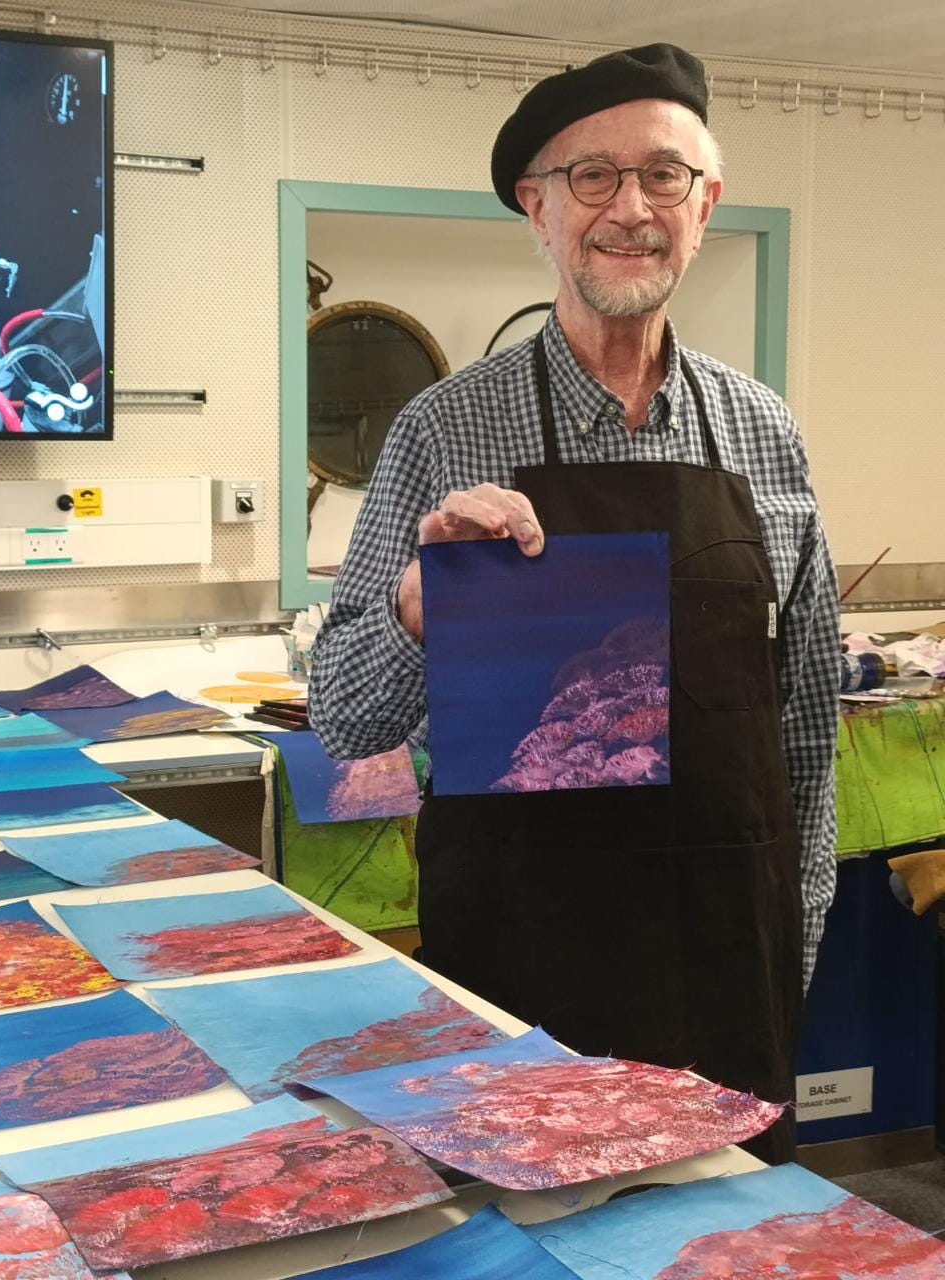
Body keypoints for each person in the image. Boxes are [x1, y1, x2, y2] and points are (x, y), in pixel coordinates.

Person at [308, 42, 840, 1164]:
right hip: (523, 971)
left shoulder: (763, 431)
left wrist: (793, 935)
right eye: (591, 177)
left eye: (664, 175)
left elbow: (802, 735)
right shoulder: (443, 429)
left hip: (725, 979)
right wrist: (417, 601)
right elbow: (346, 721)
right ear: (537, 209)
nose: (630, 208)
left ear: (708, 207)